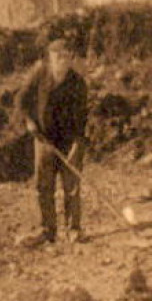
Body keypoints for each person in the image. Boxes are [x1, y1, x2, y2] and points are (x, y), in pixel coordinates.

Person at [17, 37, 89, 248]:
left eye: (66, 57)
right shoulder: (40, 75)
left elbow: (82, 118)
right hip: (44, 139)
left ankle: (73, 230)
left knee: (72, 187)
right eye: (57, 56)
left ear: (71, 59)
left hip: (69, 140)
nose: (62, 61)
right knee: (44, 187)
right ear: (50, 58)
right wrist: (29, 121)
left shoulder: (78, 83)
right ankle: (47, 230)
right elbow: (21, 100)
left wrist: (77, 145)